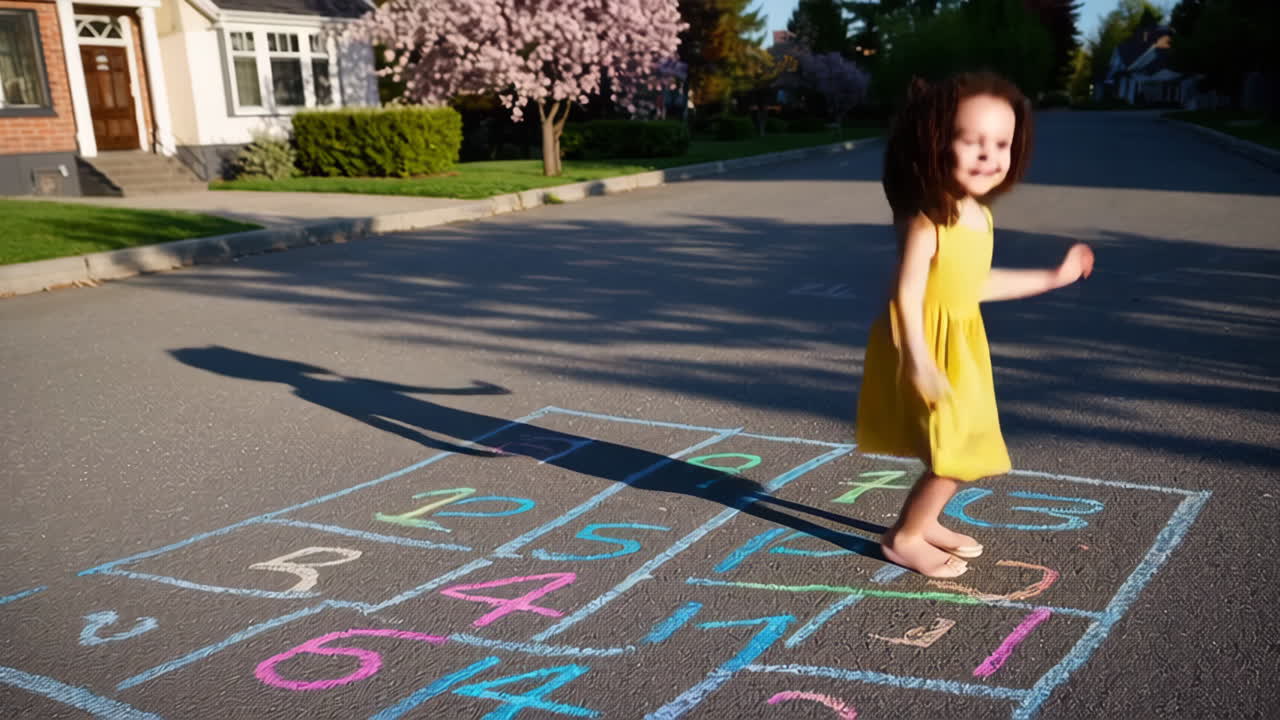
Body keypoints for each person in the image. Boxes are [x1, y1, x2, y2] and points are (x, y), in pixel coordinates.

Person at [855, 72, 1095, 578]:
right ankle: (904, 537)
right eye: (972, 141)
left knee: (964, 443)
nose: (989, 156)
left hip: (961, 341)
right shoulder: (930, 220)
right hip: (925, 341)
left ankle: (925, 520)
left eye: (1001, 144)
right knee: (957, 451)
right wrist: (917, 360)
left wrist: (1053, 276)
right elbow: (907, 293)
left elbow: (976, 284)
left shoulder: (978, 216)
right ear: (938, 143)